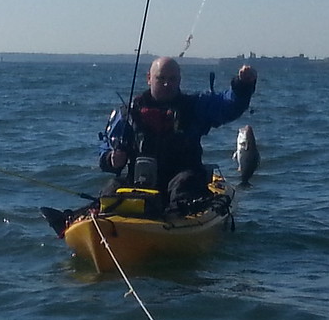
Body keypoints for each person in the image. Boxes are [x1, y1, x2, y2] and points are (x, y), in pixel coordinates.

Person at [99, 56, 257, 210]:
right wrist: (111, 159)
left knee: (182, 185)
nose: (167, 84)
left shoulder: (194, 106)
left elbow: (227, 106)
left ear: (179, 80)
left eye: (173, 79)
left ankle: (175, 223)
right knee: (112, 188)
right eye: (161, 78)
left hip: (185, 179)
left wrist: (242, 86)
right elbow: (107, 147)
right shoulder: (130, 112)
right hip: (141, 182)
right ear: (149, 78)